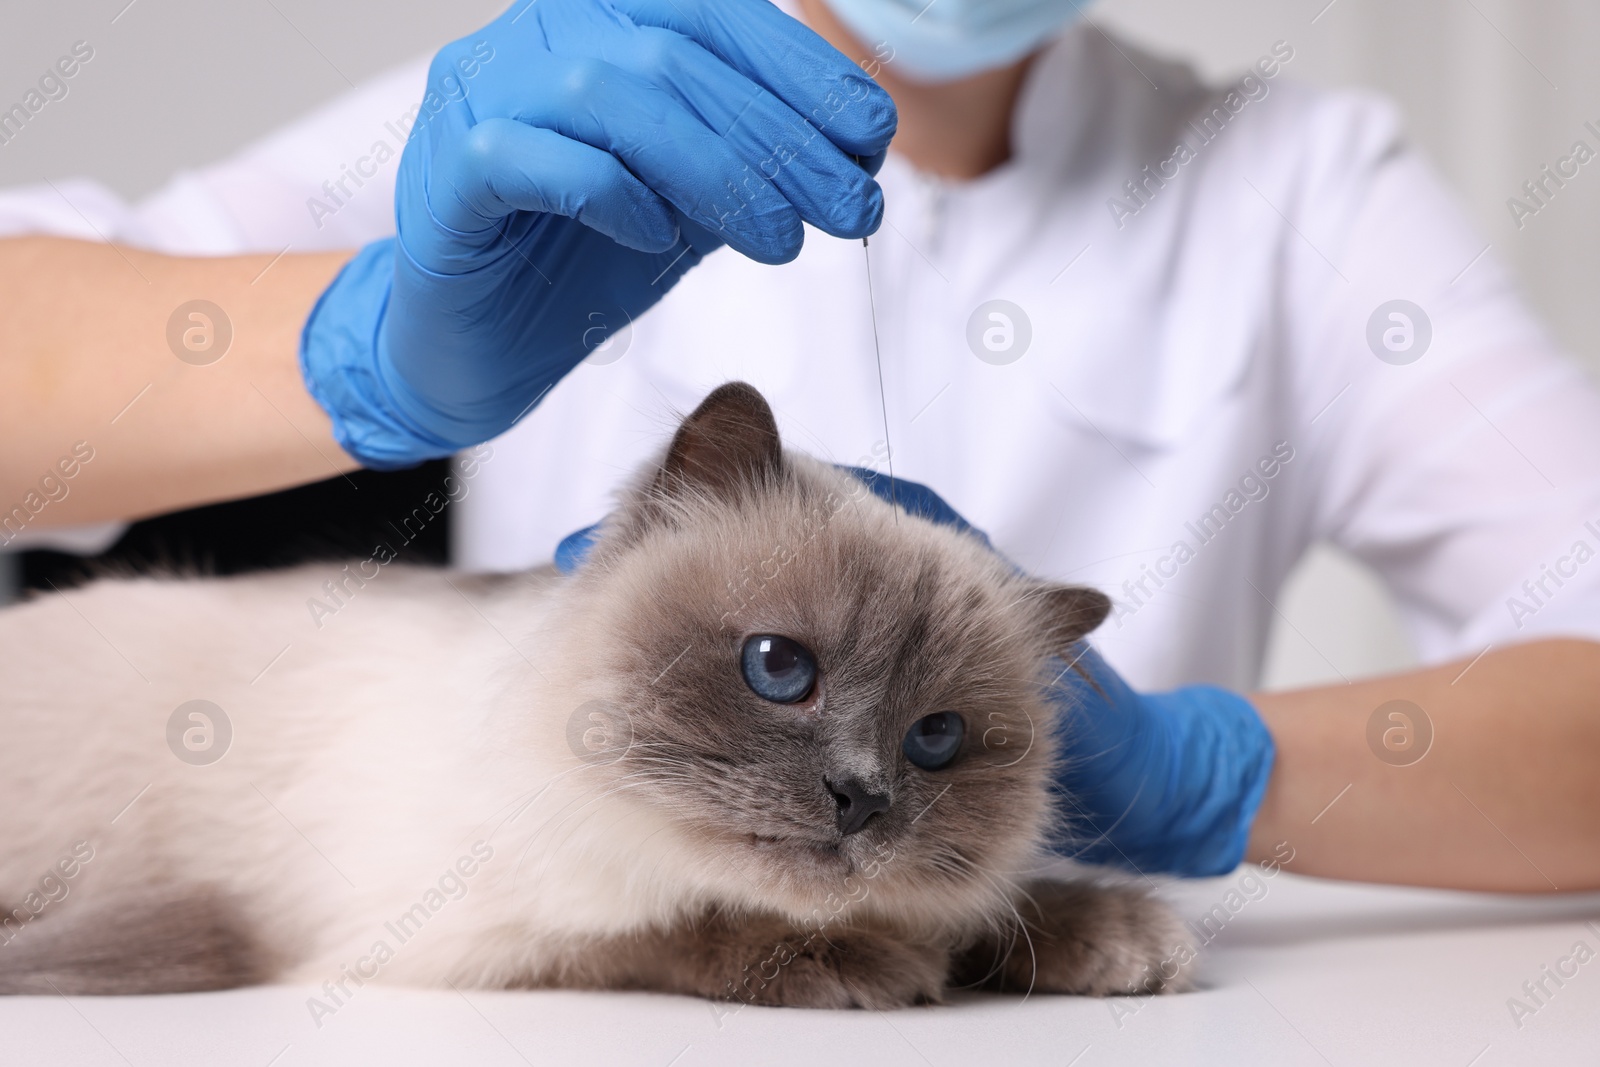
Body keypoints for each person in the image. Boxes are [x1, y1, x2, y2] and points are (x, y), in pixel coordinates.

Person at [3, 0, 1598, 891]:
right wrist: (359, 342)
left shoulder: (1297, 182)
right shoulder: (580, 80)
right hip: (569, 954)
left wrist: (1207, 776)